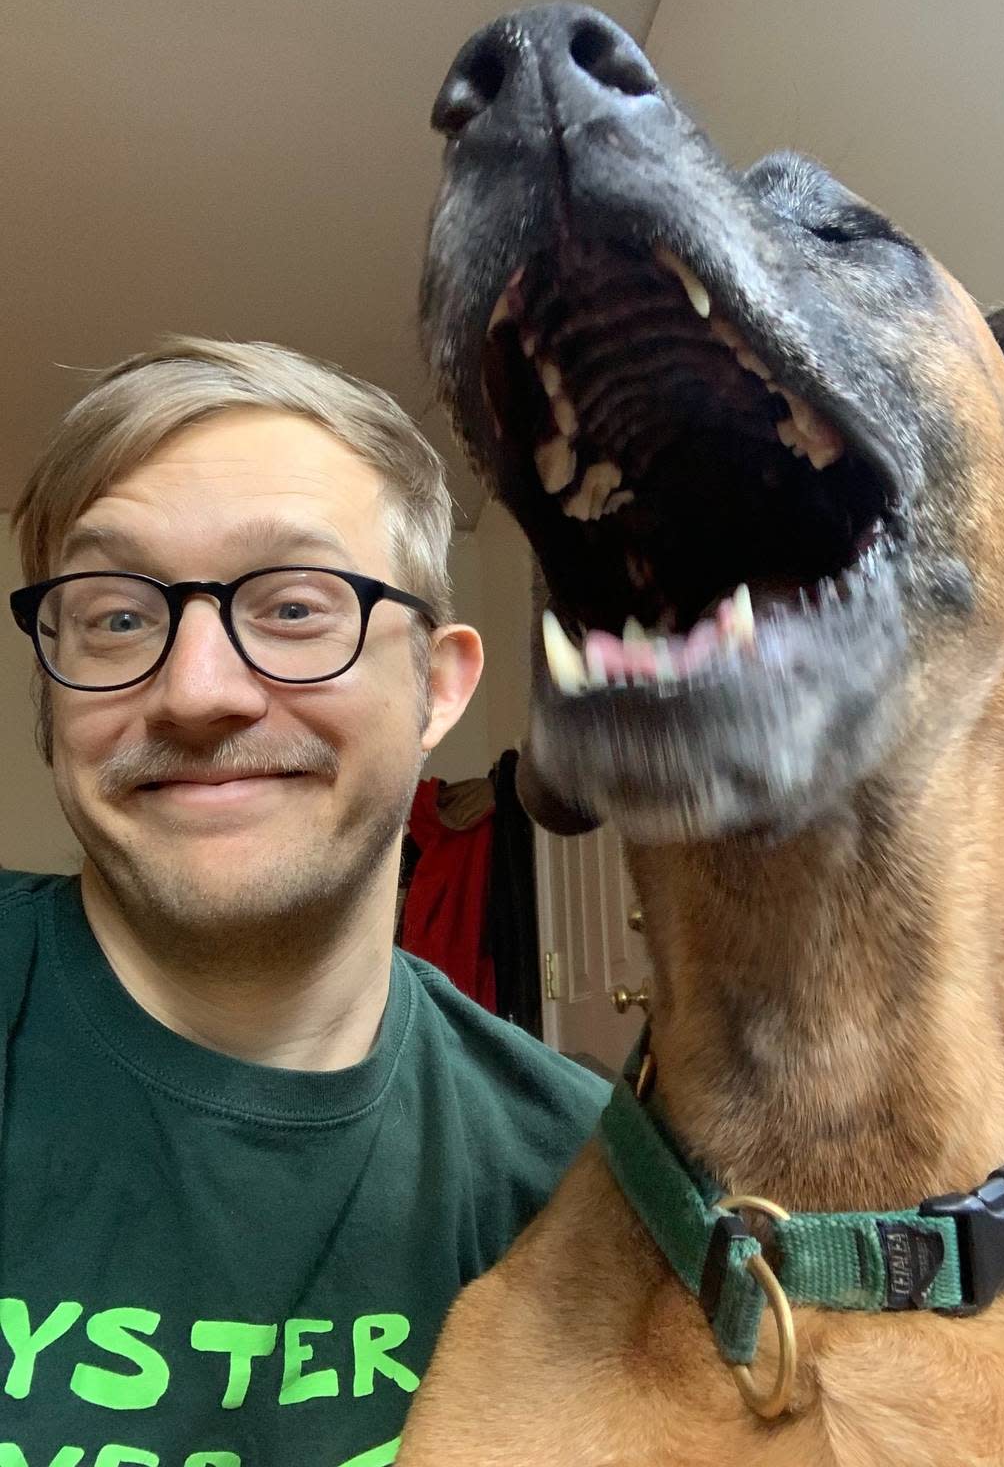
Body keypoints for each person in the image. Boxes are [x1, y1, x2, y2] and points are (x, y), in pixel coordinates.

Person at [0, 338, 608, 1466]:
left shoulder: (584, 1179)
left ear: (437, 685)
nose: (194, 690)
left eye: (291, 606)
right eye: (119, 617)